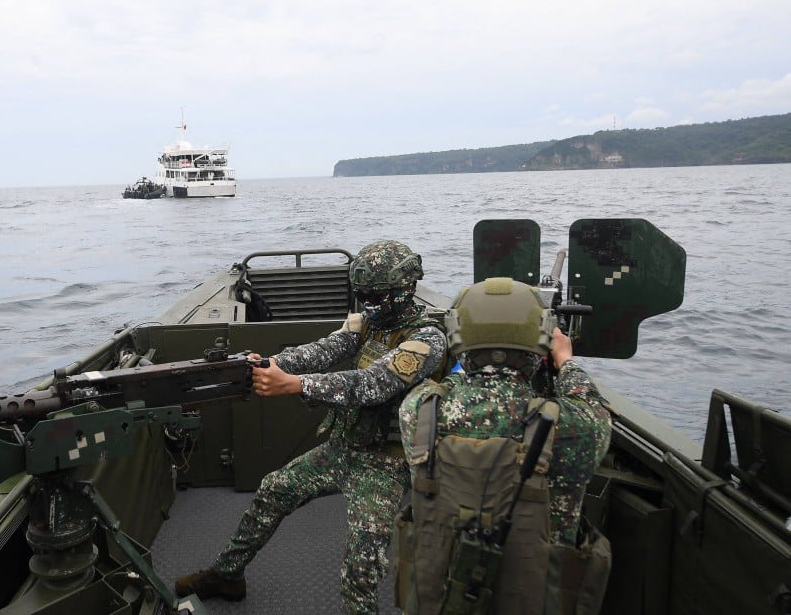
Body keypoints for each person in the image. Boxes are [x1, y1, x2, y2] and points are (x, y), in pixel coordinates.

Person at [175, 239, 448, 615]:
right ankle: (227, 575)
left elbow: (372, 384)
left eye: (377, 297)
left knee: (361, 566)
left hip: (385, 464)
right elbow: (325, 349)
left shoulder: (427, 339)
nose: (368, 305)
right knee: (273, 490)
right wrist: (272, 362)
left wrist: (296, 384)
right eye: (363, 295)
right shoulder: (369, 323)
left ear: (405, 290)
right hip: (345, 447)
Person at [396, 277, 612, 615]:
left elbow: (451, 381)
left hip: (440, 601)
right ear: (539, 343)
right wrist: (565, 361)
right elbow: (589, 401)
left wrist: (468, 361)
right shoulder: (578, 426)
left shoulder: (419, 411)